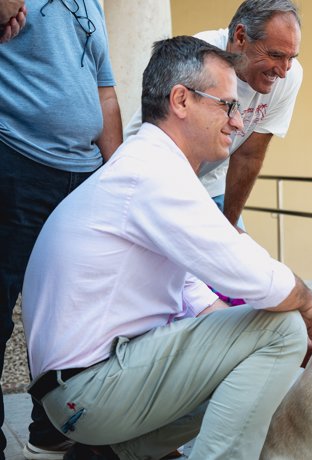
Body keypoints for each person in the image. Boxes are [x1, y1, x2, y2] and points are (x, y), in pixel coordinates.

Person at [21, 36, 312, 460]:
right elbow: (256, 277)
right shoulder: (153, 173)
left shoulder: (146, 167)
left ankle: (113, 455)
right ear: (181, 100)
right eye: (227, 105)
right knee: (284, 330)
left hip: (80, 392)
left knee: (250, 365)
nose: (239, 123)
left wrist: (227, 331)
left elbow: (188, 283)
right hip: (90, 391)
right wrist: (310, 304)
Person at [0, 1, 122, 458]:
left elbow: (105, 91)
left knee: (74, 311)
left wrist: (116, 176)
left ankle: (50, 429)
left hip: (84, 172)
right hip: (16, 158)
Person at [124, 0, 303, 228]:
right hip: (155, 179)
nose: (284, 70)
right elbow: (170, 143)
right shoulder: (200, 61)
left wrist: (228, 228)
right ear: (240, 37)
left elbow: (248, 156)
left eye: (292, 57)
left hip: (213, 186)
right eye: (275, 55)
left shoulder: (290, 75)